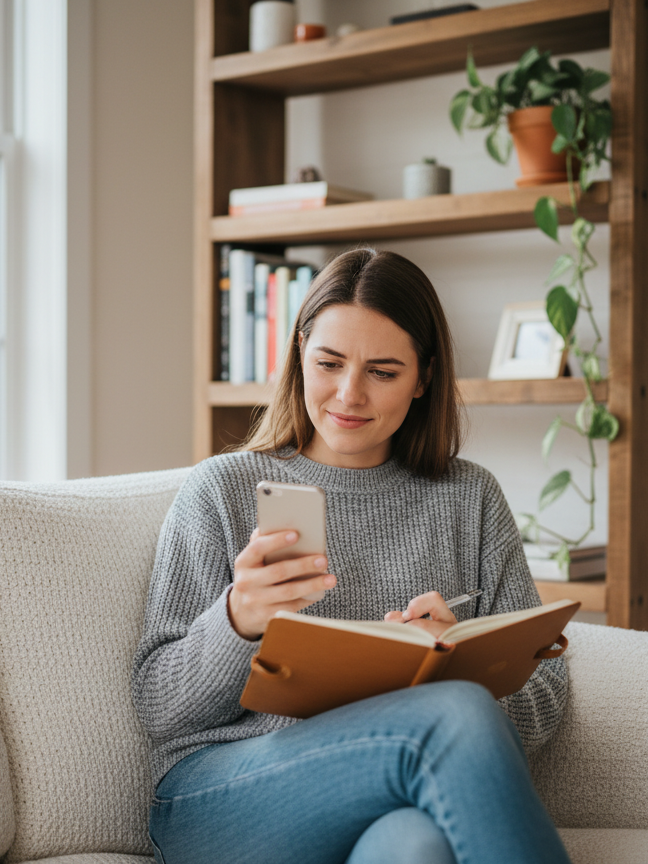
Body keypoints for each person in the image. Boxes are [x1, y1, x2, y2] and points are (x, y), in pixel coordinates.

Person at [132, 248, 570, 864]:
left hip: (382, 795)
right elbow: (159, 707)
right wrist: (237, 622)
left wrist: (454, 667)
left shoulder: (469, 499)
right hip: (221, 798)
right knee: (453, 715)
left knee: (416, 847)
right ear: (299, 356)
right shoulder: (223, 489)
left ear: (423, 378)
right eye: (329, 363)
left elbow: (547, 687)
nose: (348, 394)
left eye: (383, 372)